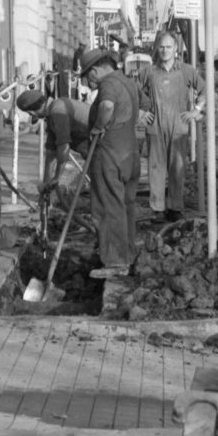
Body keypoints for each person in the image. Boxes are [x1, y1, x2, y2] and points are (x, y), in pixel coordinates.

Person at [78, 48, 141, 276]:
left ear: (94, 71)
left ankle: (115, 262)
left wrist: (98, 126)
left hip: (110, 157)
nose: (88, 82)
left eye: (87, 77)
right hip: (130, 155)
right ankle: (127, 254)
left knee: (107, 208)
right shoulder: (128, 81)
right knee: (126, 207)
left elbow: (107, 107)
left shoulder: (108, 84)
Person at [136, 30, 206, 222]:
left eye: (169, 47)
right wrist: (141, 112)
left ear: (176, 49)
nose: (165, 51)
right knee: (156, 168)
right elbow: (133, 91)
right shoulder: (149, 72)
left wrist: (197, 109)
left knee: (177, 168)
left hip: (178, 128)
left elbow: (204, 89)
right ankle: (157, 208)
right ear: (157, 49)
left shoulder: (186, 71)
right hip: (156, 127)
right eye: (161, 47)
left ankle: (175, 207)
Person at [15, 88, 90, 203]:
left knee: (91, 189)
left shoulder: (58, 111)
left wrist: (56, 178)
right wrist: (46, 183)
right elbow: (51, 152)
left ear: (32, 112)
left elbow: (64, 147)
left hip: (106, 145)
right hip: (92, 147)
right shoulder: (51, 112)